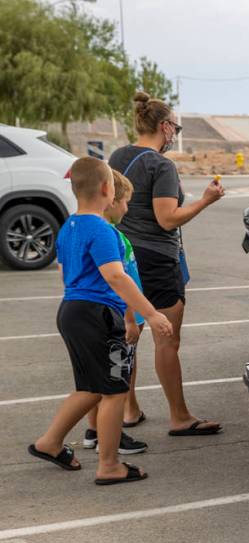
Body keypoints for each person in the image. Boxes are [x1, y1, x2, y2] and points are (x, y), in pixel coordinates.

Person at [27, 157, 173, 484]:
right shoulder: (103, 230)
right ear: (108, 189)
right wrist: (150, 313)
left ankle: (49, 443)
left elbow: (65, 273)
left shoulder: (68, 228)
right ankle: (109, 465)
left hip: (71, 311)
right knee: (114, 389)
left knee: (91, 387)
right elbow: (116, 277)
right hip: (98, 315)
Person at [108, 92, 225, 436]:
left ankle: (129, 410)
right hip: (158, 261)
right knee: (166, 339)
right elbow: (167, 219)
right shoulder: (161, 165)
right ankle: (179, 416)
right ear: (164, 126)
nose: (175, 132)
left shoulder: (118, 155)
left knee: (129, 335)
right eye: (175, 126)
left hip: (126, 255)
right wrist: (206, 200)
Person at [82, 169, 149, 455]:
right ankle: (113, 436)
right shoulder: (110, 237)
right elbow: (119, 282)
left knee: (99, 377)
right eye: (125, 202)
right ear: (110, 200)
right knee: (117, 377)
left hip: (95, 317)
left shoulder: (90, 232)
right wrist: (131, 320)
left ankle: (93, 431)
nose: (127, 208)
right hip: (118, 320)